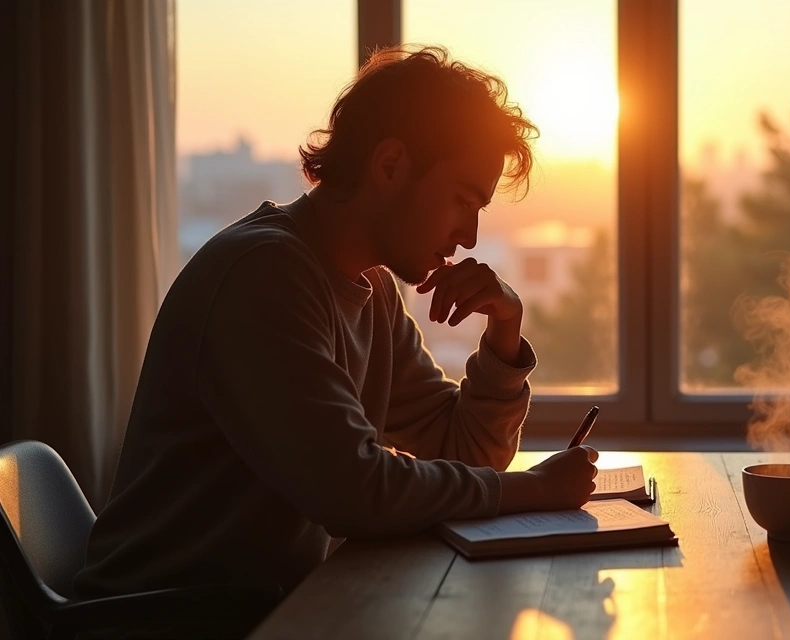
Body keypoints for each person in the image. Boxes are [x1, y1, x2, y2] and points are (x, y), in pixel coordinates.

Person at [74, 46, 598, 632]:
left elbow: (462, 451)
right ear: (391, 165)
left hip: (270, 613)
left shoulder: (372, 288)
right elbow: (353, 491)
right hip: (164, 622)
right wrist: (531, 491)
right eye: (461, 200)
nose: (470, 235)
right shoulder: (264, 275)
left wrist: (505, 331)